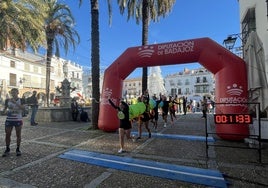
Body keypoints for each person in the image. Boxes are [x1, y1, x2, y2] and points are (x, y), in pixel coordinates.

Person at [2, 88, 26, 157]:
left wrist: (15, 102)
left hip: (18, 120)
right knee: (7, 135)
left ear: (18, 93)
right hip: (9, 120)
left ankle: (18, 149)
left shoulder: (22, 100)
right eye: (12, 93)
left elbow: (24, 108)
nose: (13, 94)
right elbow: (4, 109)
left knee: (18, 135)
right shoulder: (7, 100)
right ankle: (7, 149)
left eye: (14, 92)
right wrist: (4, 111)